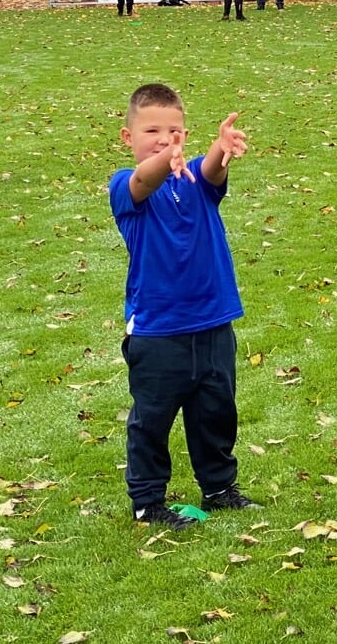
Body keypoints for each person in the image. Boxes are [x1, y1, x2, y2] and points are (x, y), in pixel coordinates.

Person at [109, 83, 261, 531]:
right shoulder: (127, 187)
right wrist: (164, 158)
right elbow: (145, 178)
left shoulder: (196, 181)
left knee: (216, 411)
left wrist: (220, 147)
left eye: (174, 131)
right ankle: (148, 500)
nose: (164, 138)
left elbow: (212, 171)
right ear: (127, 137)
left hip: (213, 322)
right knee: (151, 420)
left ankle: (219, 487)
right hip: (158, 333)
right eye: (152, 130)